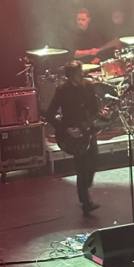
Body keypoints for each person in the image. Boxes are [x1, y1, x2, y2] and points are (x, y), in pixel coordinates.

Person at [45, 60, 107, 216]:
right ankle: (86, 202)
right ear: (71, 75)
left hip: (87, 130)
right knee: (81, 166)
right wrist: (66, 129)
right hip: (71, 132)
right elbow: (49, 114)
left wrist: (103, 116)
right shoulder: (62, 91)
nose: (82, 75)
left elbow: (94, 109)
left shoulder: (88, 86)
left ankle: (85, 188)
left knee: (93, 162)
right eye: (79, 73)